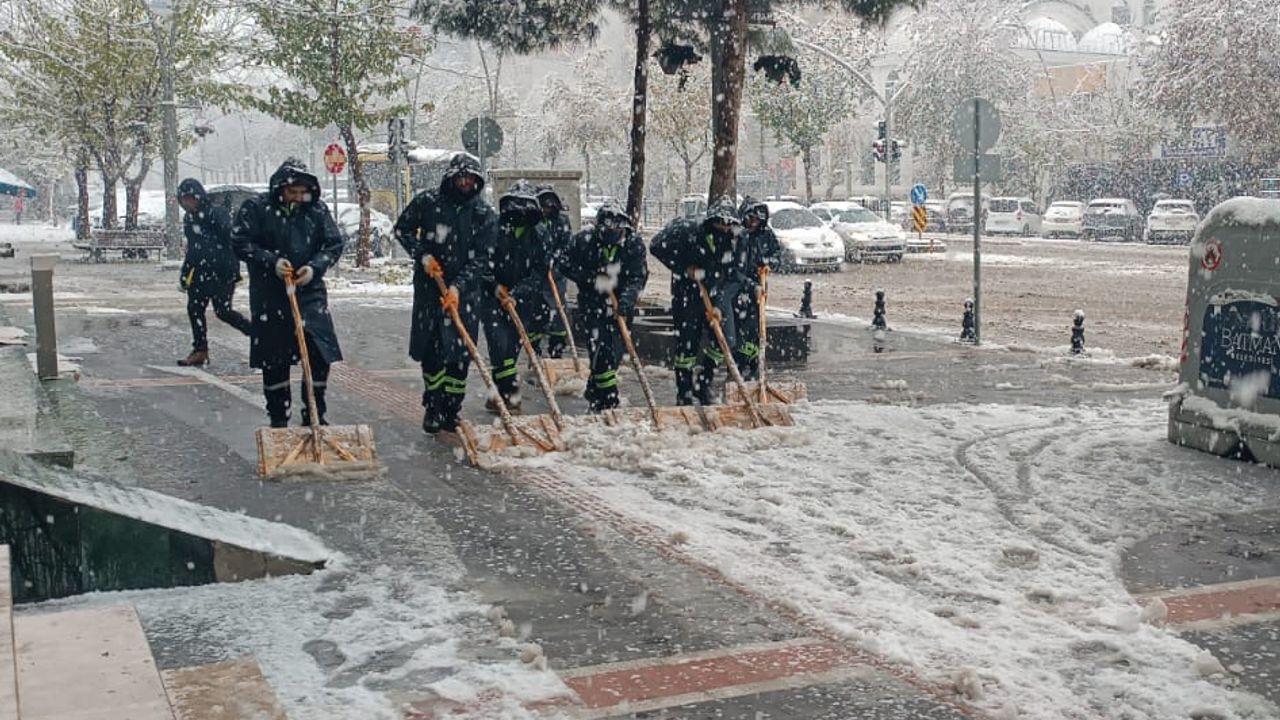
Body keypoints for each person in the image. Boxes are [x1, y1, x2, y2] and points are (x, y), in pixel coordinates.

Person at [231, 159, 344, 428]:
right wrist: (271, 262)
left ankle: (314, 413)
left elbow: (333, 244)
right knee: (275, 360)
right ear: (280, 188)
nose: (297, 197)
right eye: (292, 192)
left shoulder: (316, 210)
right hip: (271, 296)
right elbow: (240, 242)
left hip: (309, 294)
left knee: (317, 353)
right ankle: (279, 418)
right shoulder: (257, 209)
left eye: (302, 192)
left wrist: (314, 268)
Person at [394, 153, 496, 435]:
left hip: (464, 296)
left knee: (460, 353)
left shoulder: (483, 215)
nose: (464, 183)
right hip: (430, 290)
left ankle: (452, 408)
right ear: (450, 178)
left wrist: (459, 287)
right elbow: (402, 229)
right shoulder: (428, 203)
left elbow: (483, 259)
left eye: (470, 179)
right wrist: (423, 256)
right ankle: (433, 404)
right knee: (433, 351)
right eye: (460, 178)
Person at [649, 197, 745, 406]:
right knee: (687, 343)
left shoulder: (736, 240)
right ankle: (684, 391)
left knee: (723, 341)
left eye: (730, 224)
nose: (725, 228)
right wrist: (684, 268)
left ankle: (704, 383)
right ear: (712, 221)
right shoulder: (688, 230)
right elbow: (656, 246)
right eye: (721, 222)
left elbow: (734, 273)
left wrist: (719, 303)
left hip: (716, 292)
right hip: (688, 294)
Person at [559, 202, 648, 412]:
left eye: (617, 230)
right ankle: (607, 399)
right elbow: (564, 264)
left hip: (620, 304)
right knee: (600, 350)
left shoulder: (633, 244)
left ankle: (594, 387)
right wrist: (592, 278)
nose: (613, 233)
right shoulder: (584, 241)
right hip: (593, 303)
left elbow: (638, 276)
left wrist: (626, 299)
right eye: (608, 229)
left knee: (616, 351)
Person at [479, 180, 551, 413]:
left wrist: (518, 294)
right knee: (499, 347)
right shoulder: (493, 229)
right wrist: (495, 287)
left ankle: (497, 395)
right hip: (492, 299)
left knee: (511, 349)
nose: (519, 213)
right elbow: (481, 263)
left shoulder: (538, 235)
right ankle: (509, 393)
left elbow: (539, 272)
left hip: (522, 302)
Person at [175, 178, 251, 367]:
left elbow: (230, 242)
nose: (188, 203)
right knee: (194, 309)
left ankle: (259, 335)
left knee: (223, 311)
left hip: (221, 271)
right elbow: (192, 249)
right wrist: (185, 275)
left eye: (191, 198)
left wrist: (232, 270)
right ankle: (200, 349)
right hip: (200, 272)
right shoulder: (189, 219)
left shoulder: (217, 213)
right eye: (184, 199)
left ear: (199, 197)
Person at [732, 197, 781, 380]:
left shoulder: (765, 235)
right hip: (739, 288)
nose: (753, 224)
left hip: (759, 286)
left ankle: (753, 367)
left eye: (756, 221)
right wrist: (749, 285)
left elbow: (777, 254)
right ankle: (738, 365)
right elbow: (734, 270)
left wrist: (768, 264)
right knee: (740, 328)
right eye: (750, 219)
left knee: (755, 328)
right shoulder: (738, 236)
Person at [533, 185, 574, 358]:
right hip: (535, 276)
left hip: (556, 276)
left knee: (559, 313)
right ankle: (533, 349)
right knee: (535, 313)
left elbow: (566, 246)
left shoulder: (561, 222)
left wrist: (555, 262)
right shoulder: (532, 222)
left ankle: (557, 348)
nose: (546, 210)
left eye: (550, 207)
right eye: (543, 207)